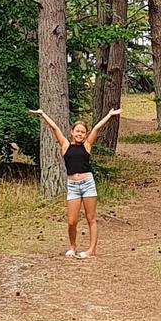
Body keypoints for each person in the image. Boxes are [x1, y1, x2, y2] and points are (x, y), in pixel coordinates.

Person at [29, 107, 121, 258]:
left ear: (85, 135)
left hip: (87, 183)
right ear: (72, 132)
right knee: (72, 221)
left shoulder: (87, 146)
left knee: (91, 218)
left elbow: (97, 128)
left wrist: (109, 115)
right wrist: (43, 114)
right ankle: (72, 247)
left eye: (83, 132)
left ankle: (91, 250)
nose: (80, 134)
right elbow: (54, 127)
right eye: (77, 131)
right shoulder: (65, 145)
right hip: (72, 186)